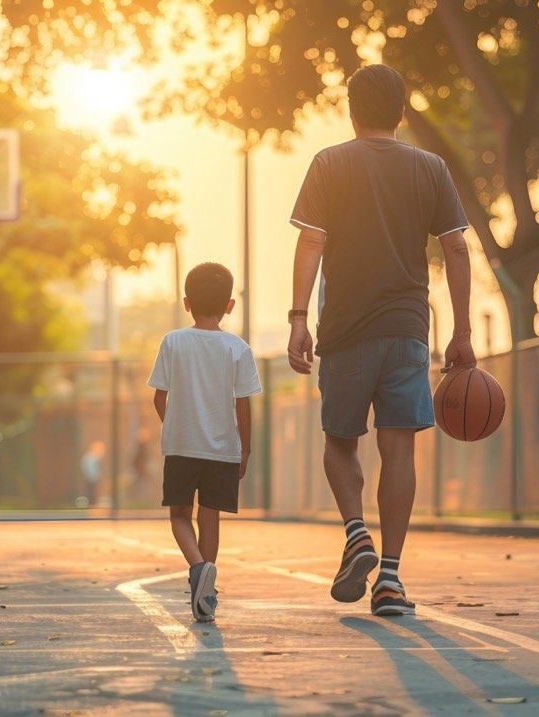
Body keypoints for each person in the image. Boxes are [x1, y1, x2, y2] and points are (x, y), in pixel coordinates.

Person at [287, 63, 476, 617]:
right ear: (401, 111)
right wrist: (462, 333)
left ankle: (356, 535)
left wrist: (299, 318)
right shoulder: (430, 167)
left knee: (339, 442)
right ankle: (390, 580)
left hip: (345, 331)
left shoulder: (329, 163)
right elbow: (458, 248)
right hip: (407, 330)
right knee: (399, 447)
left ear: (351, 109)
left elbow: (310, 245)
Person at [149, 262, 262, 623]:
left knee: (180, 515)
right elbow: (242, 404)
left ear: (186, 302)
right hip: (222, 448)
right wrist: (245, 448)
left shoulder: (173, 341)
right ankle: (207, 591)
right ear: (230, 304)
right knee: (209, 517)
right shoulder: (238, 348)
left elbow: (158, 398)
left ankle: (198, 569)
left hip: (181, 447)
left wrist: (178, 425)